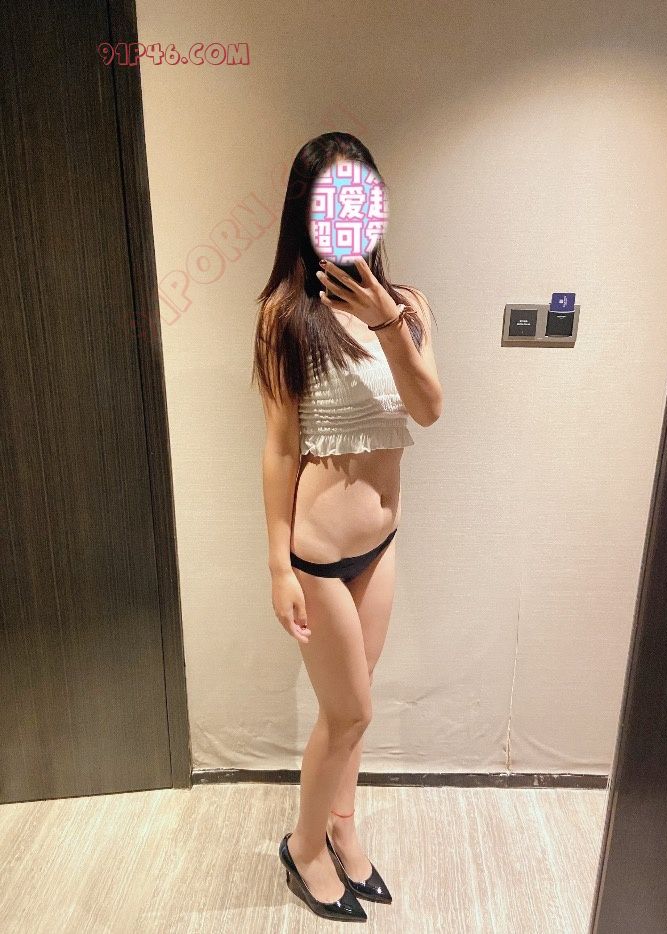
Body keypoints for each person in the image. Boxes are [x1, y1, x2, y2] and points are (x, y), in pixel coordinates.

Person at [251, 132, 443, 922]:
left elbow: (428, 409)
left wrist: (389, 321)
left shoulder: (410, 306)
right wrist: (278, 567)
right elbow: (279, 447)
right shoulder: (285, 315)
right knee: (350, 711)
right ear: (306, 212)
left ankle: (342, 826)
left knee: (356, 703)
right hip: (321, 555)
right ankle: (303, 848)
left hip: (380, 546)